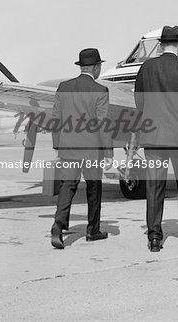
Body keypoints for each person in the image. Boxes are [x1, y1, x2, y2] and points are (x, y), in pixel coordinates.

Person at [135, 25, 178, 252]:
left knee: (154, 187)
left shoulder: (146, 68)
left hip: (152, 136)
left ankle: (154, 237)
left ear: (161, 45)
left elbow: (139, 103)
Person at [50, 48, 113, 249]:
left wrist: (57, 143)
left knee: (67, 186)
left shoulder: (63, 87)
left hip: (68, 148)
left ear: (81, 66)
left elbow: (56, 119)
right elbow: (103, 124)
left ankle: (58, 227)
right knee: (94, 188)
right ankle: (92, 230)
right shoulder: (100, 91)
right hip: (92, 150)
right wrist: (109, 152)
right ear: (95, 67)